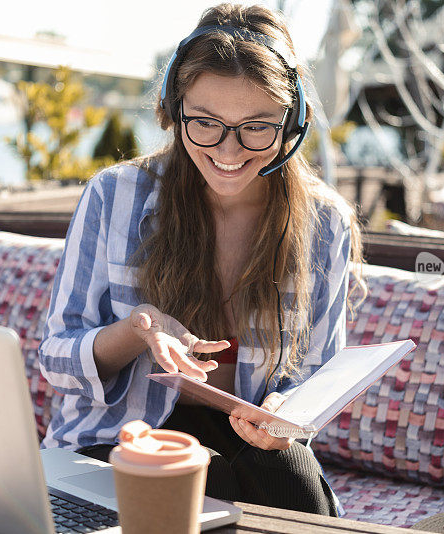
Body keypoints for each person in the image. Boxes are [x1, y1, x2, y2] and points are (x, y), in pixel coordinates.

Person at [39, 3, 365, 516]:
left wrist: (287, 412)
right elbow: (57, 361)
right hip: (122, 434)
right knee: (187, 487)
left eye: (257, 126)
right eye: (206, 123)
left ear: (293, 120)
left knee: (297, 491)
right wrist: (134, 332)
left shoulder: (325, 223)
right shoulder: (113, 197)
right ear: (174, 112)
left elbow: (318, 374)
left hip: (254, 447)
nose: (229, 151)